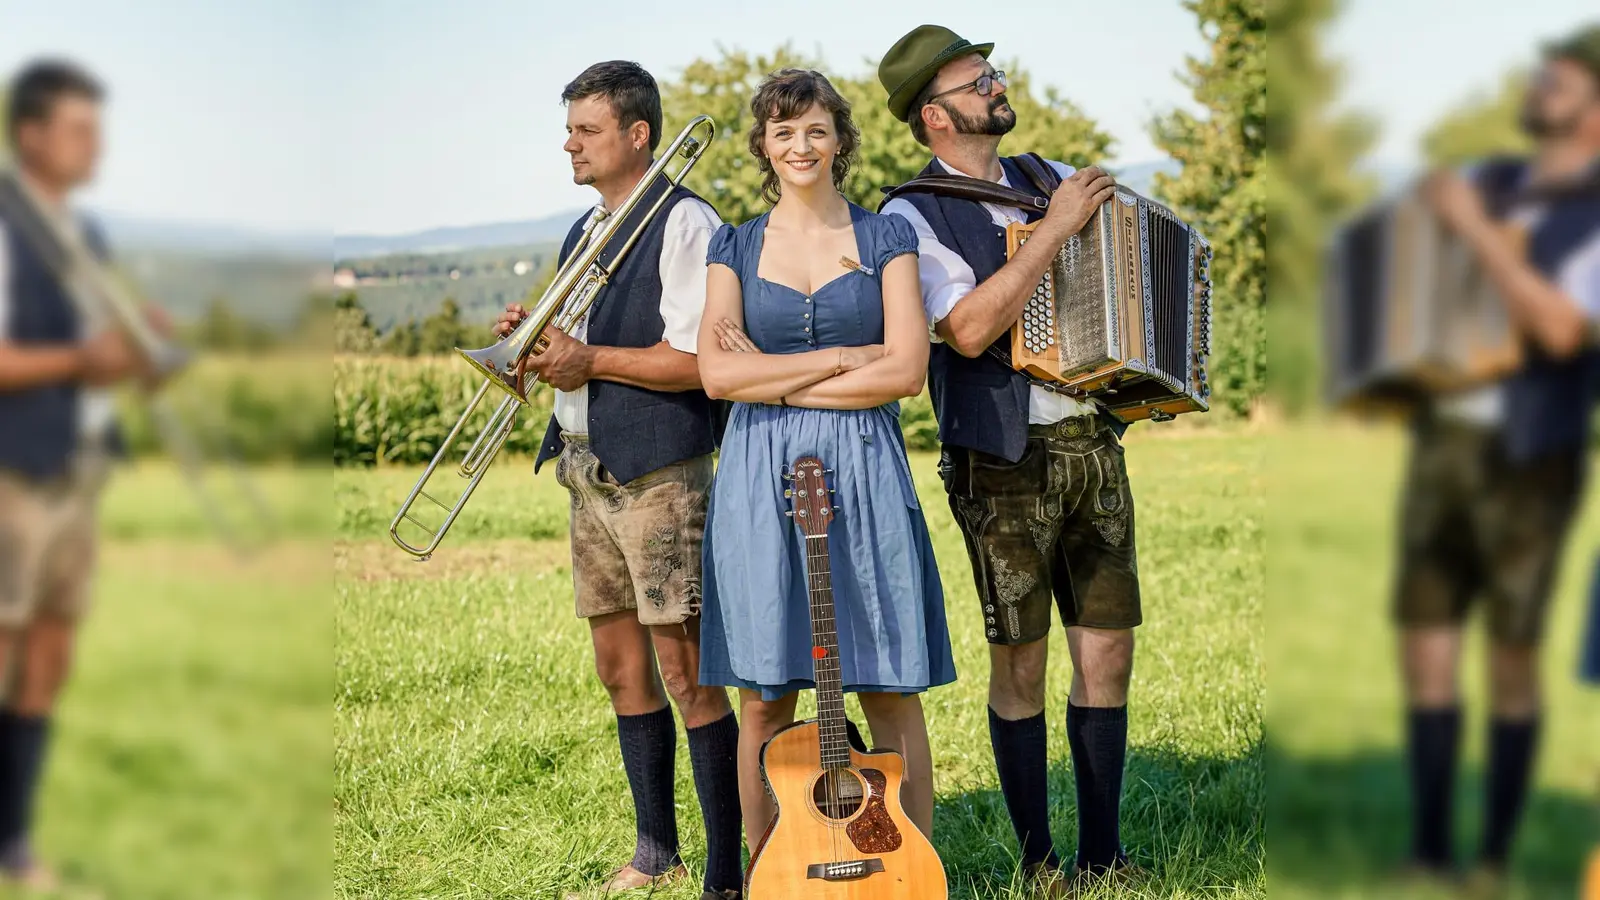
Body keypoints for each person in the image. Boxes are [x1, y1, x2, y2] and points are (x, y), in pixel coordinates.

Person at [874, 24, 1140, 896]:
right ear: (934, 114)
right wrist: (1056, 228)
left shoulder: (1045, 174)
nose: (996, 85)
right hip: (1000, 456)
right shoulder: (910, 214)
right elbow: (968, 328)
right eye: (976, 80)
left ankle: (1103, 856)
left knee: (1107, 652)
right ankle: (1039, 863)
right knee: (1021, 660)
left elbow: (1118, 264)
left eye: (990, 73)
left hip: (1092, 436)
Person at [491, 61, 742, 900]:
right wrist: (535, 341)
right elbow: (582, 347)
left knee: (688, 674)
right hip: (586, 469)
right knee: (620, 669)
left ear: (638, 135)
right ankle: (655, 852)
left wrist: (588, 358)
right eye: (569, 130)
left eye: (586, 130)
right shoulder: (585, 228)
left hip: (661, 475)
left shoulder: (685, 222)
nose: (570, 144)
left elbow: (701, 362)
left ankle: (725, 873)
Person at [693, 67, 956, 851]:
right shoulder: (733, 245)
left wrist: (773, 380)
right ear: (763, 146)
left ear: (841, 140)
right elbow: (717, 376)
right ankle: (769, 872)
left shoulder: (887, 238)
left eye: (816, 129)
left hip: (865, 471)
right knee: (765, 696)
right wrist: (845, 356)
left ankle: (910, 876)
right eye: (783, 132)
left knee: (888, 686)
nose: (800, 145)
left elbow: (905, 371)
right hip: (758, 480)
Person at [1390, 23, 1600, 893]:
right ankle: (1431, 851)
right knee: (1426, 646)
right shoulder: (1494, 180)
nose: (1539, 88)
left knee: (1511, 653)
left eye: (1560, 82)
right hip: (1444, 439)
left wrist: (1474, 232)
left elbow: (1561, 329)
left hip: (1531, 454)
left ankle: (1493, 857)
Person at [0, 59, 170, 890]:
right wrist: (84, 357)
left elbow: (97, 357)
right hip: (11, 476)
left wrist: (139, 350)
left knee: (50, 657)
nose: (94, 145)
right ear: (29, 135)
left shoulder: (84, 235)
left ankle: (13, 841)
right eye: (77, 129)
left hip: (75, 473)